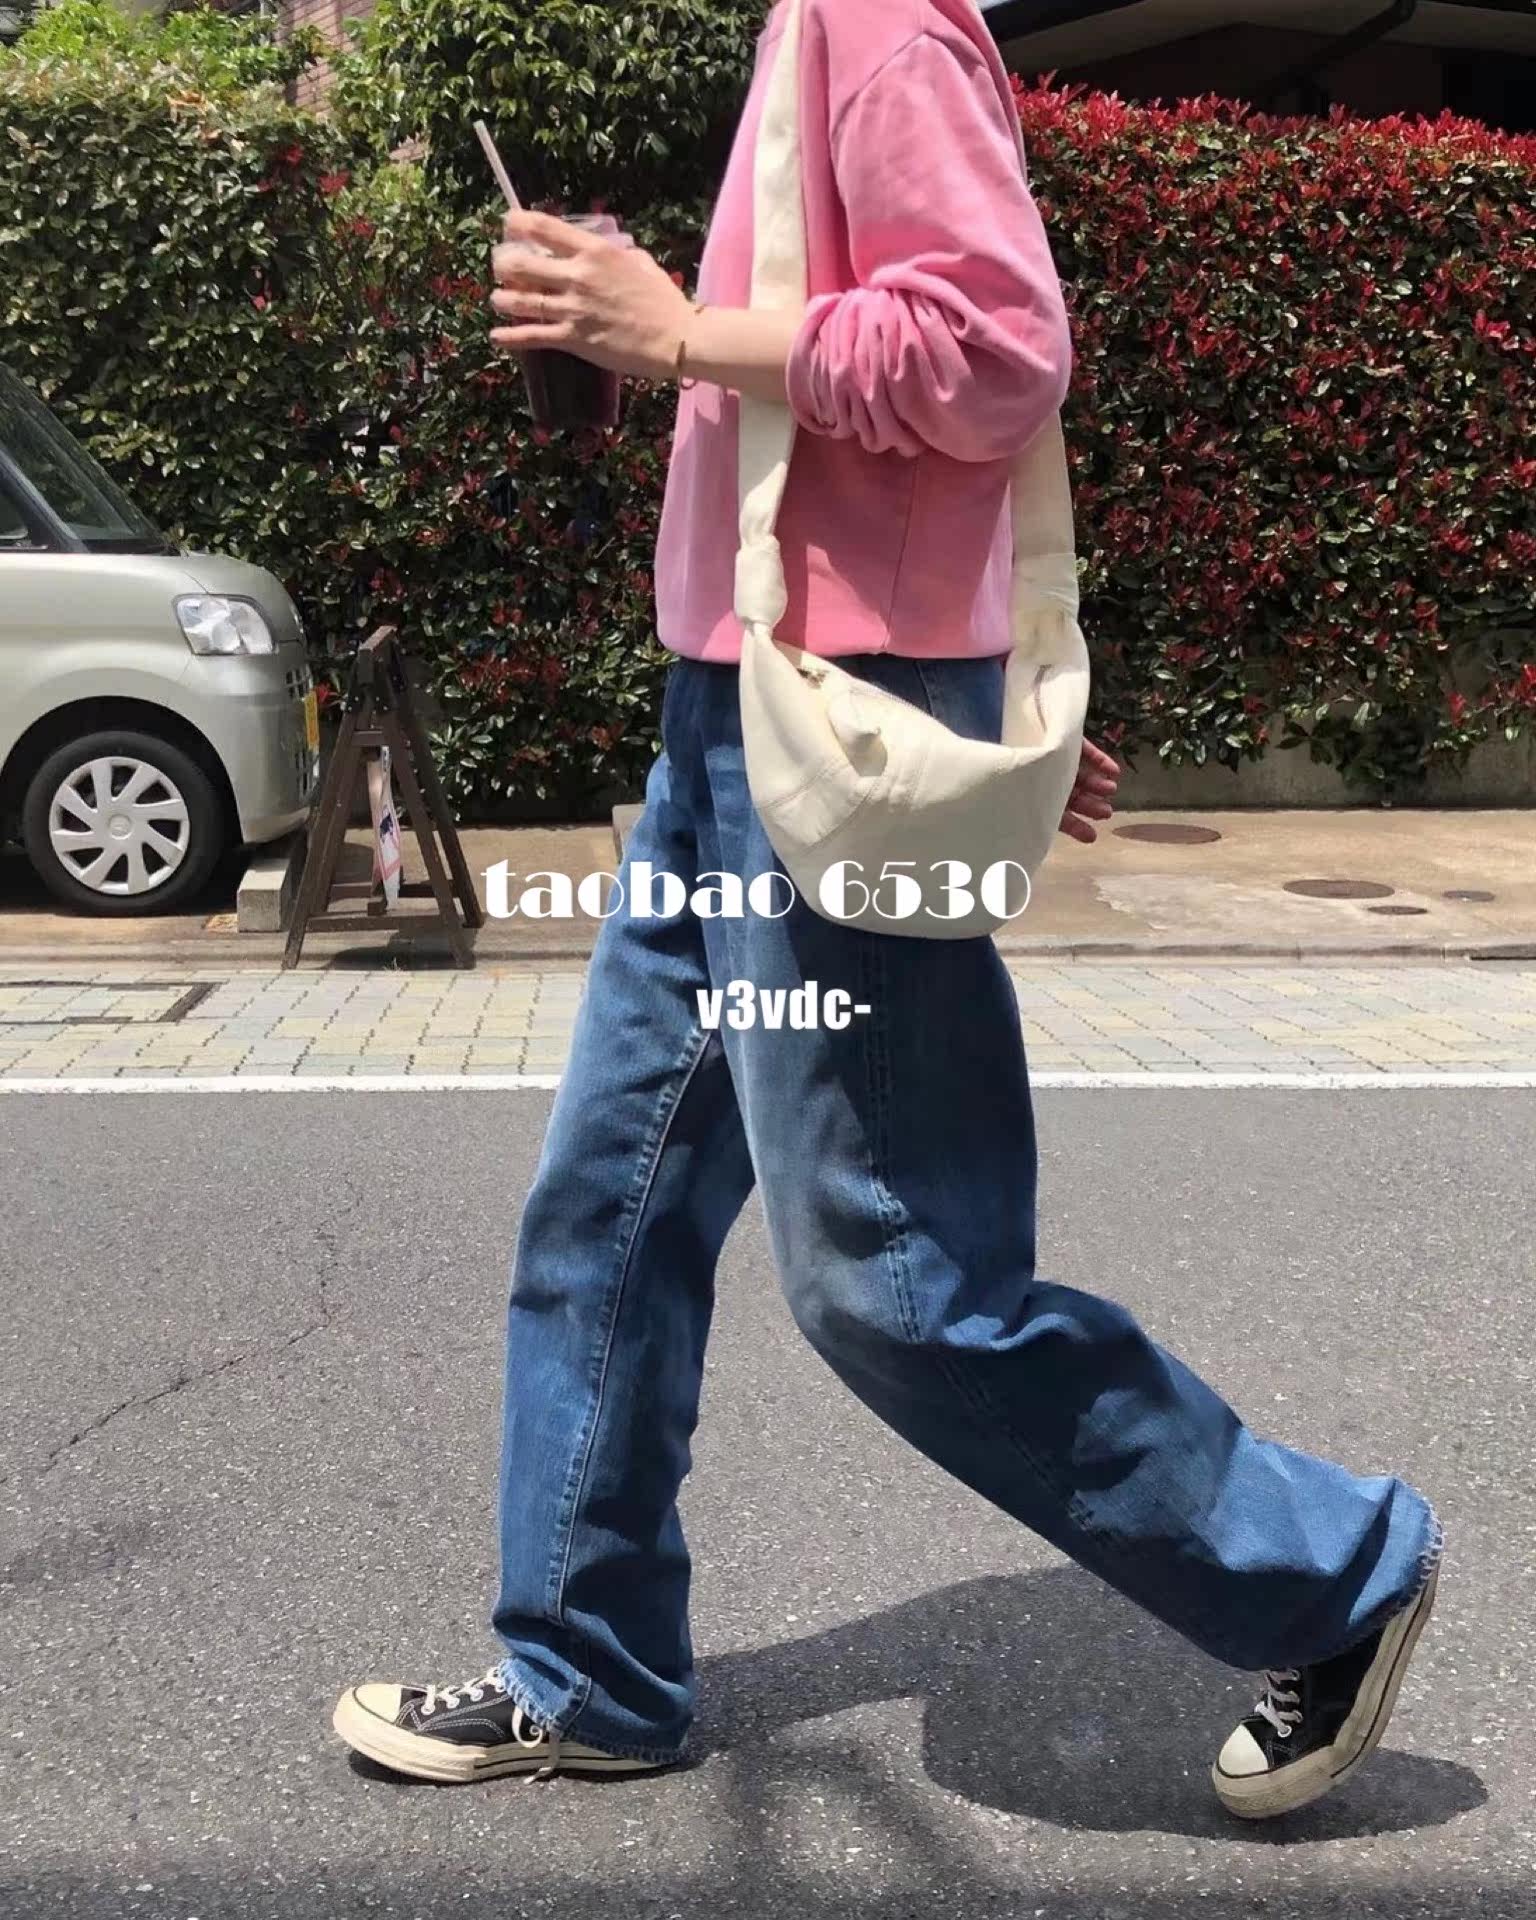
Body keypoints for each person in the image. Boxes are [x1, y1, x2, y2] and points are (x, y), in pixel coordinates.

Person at [332, 0, 1441, 1820]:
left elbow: (996, 349)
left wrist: (678, 331)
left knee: (899, 1280)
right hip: (736, 716)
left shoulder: (874, 19)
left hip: (824, 734)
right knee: (605, 1212)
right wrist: (661, 338)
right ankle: (587, 1672)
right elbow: (863, 412)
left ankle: (1330, 1572)